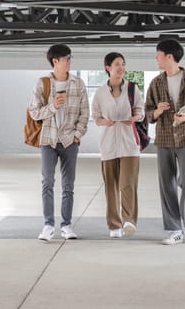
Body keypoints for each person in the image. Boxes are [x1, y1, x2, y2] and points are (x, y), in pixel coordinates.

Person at [145, 39, 185, 245]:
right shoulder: (156, 83)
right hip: (163, 137)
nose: (156, 58)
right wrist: (158, 111)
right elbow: (148, 114)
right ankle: (174, 229)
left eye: (158, 54)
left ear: (169, 56)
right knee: (167, 184)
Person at [28, 44, 89, 242]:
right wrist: (53, 106)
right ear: (55, 61)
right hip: (48, 140)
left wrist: (77, 135)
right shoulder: (43, 83)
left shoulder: (78, 83)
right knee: (47, 182)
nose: (70, 61)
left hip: (70, 140)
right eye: (67, 58)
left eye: (70, 58)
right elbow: (34, 112)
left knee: (68, 185)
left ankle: (66, 225)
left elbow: (84, 113)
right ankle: (48, 225)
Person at [92, 52, 145, 238]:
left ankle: (129, 220)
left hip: (129, 143)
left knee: (127, 184)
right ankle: (114, 225)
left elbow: (141, 110)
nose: (121, 67)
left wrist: (136, 117)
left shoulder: (132, 89)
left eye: (123, 64)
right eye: (117, 64)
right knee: (111, 186)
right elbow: (95, 117)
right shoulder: (99, 93)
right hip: (108, 144)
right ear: (108, 67)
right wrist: (102, 121)